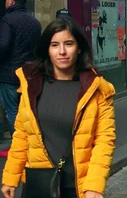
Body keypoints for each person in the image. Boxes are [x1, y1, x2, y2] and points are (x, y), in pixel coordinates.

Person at [1, 18, 115, 198]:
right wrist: (10, 177)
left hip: (78, 186)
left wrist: (94, 185)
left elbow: (104, 141)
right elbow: (22, 134)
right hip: (39, 184)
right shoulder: (32, 85)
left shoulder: (96, 89)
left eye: (68, 44)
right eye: (54, 45)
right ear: (47, 49)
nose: (62, 51)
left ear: (79, 48)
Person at [0, 0, 42, 157]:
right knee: (27, 110)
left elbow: (3, 45)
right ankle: (31, 144)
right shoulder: (35, 22)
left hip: (9, 73)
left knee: (12, 112)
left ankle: (17, 148)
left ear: (12, 0)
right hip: (28, 73)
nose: (5, 1)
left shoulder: (8, 20)